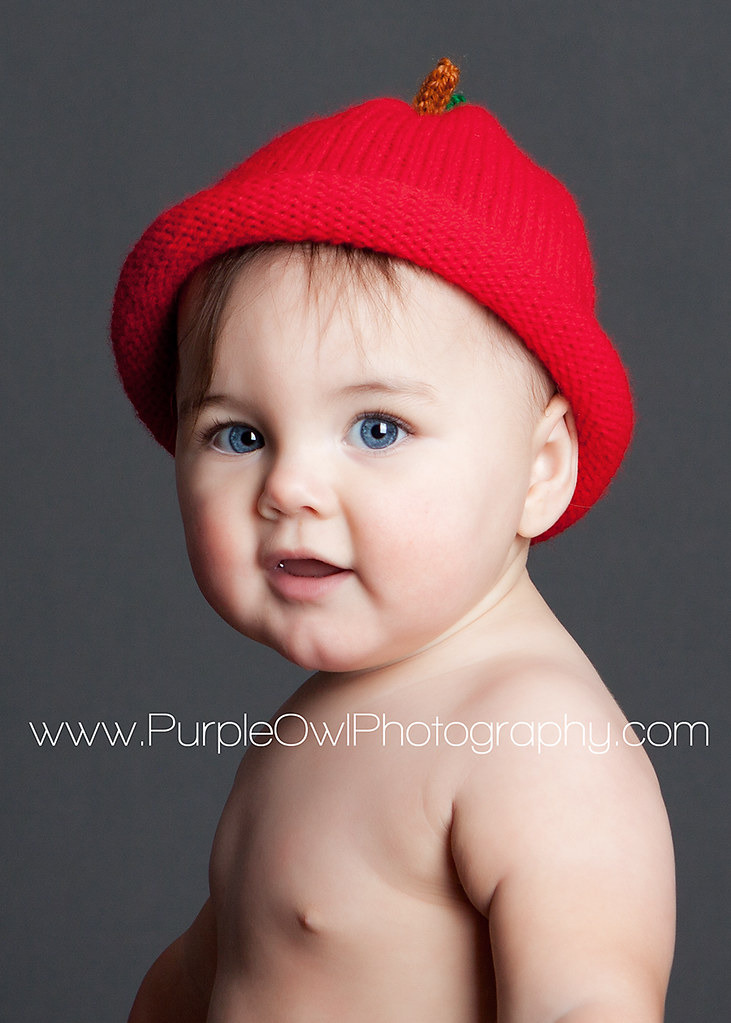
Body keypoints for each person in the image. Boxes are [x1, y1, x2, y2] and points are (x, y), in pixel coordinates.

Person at [112, 59, 675, 1022]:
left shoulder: (534, 736)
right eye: (238, 434)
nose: (287, 484)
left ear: (539, 470)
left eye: (376, 428)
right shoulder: (321, 714)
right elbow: (206, 971)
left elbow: (588, 1003)